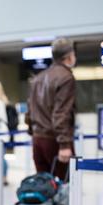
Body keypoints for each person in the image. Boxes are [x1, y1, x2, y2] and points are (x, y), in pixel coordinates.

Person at [28, 37, 77, 181]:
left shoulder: (38, 78)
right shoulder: (66, 77)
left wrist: (34, 132)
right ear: (68, 56)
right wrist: (64, 144)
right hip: (54, 141)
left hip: (38, 140)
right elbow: (61, 113)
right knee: (64, 187)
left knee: (44, 187)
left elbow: (30, 111)